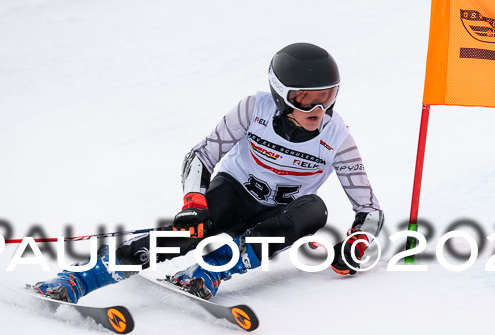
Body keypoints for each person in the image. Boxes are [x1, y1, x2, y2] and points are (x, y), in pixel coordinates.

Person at [33, 42, 384, 303]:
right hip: (232, 193)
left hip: (278, 216)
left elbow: (369, 209)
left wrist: (358, 240)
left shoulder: (338, 137)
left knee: (314, 209)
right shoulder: (253, 108)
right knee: (186, 232)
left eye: (328, 95)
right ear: (280, 94)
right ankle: (80, 280)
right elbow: (201, 155)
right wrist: (193, 202)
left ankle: (208, 273)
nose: (319, 108)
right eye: (306, 98)